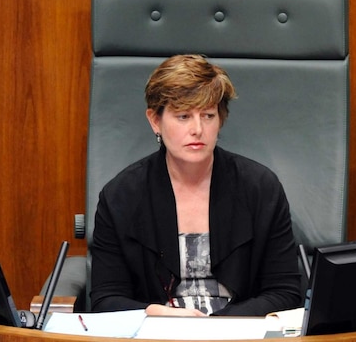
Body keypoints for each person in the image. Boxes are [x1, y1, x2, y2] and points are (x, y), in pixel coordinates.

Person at [89, 54, 302, 317]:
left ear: (220, 119)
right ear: (155, 120)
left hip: (240, 333)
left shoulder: (260, 188)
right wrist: (156, 313)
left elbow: (285, 292)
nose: (197, 129)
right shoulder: (121, 196)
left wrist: (215, 326)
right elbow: (105, 300)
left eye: (208, 115)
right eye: (183, 116)